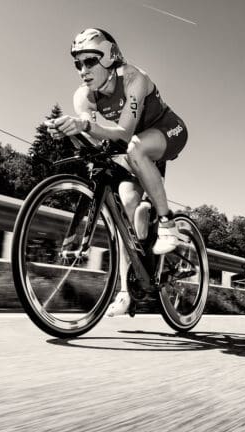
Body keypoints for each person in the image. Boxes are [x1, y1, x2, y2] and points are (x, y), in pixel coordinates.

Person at [46, 27, 189, 317]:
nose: (82, 70)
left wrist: (85, 126)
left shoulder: (134, 77)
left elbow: (123, 133)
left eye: (89, 62)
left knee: (136, 147)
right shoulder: (83, 96)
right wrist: (70, 130)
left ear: (109, 58)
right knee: (127, 210)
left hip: (167, 131)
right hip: (133, 149)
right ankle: (127, 290)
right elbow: (96, 136)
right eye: (78, 64)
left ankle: (167, 224)